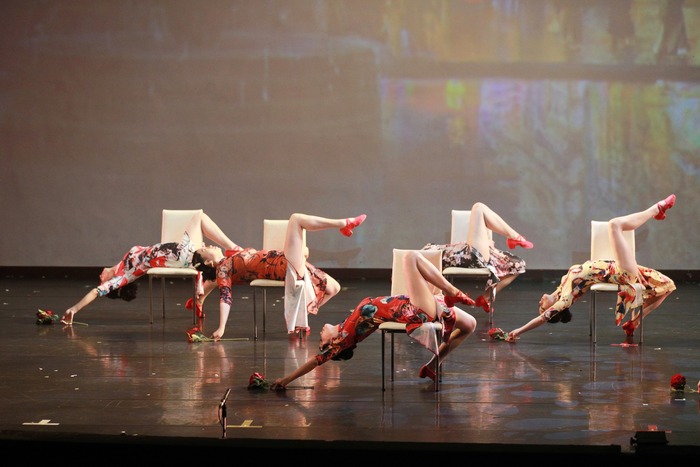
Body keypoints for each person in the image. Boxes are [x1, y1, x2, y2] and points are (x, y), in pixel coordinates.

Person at [270, 250, 479, 389]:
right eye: (321, 340)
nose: (320, 333)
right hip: (413, 310)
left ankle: (433, 365)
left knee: (470, 325)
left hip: (414, 302)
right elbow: (313, 362)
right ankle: (452, 291)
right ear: (331, 344)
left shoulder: (347, 325)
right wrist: (286, 380)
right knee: (410, 257)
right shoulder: (344, 339)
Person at [505, 195, 677, 343]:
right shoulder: (565, 299)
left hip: (615, 266)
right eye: (543, 308)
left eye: (541, 307)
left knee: (667, 285)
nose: (540, 303)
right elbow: (541, 320)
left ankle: (634, 323)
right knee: (614, 225)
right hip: (621, 273)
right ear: (555, 309)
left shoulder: (562, 287)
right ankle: (657, 209)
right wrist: (518, 331)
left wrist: (638, 318)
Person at [192, 213, 367, 340]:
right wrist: (221, 327)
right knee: (296, 219)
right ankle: (343, 223)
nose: (209, 245)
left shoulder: (230, 256)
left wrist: (198, 298)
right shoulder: (223, 270)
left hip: (286, 260)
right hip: (284, 265)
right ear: (208, 262)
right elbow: (225, 297)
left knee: (334, 288)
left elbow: (211, 280)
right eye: (205, 249)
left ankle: (302, 314)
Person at [61, 211, 240, 325]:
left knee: (215, 267)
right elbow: (96, 291)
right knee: (199, 218)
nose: (100, 277)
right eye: (102, 281)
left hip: (179, 254)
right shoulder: (126, 275)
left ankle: (198, 300)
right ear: (113, 284)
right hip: (180, 254)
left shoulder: (122, 265)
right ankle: (233, 248)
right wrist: (73, 309)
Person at [422, 202, 533, 313]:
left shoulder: (425, 255)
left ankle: (486, 298)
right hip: (470, 255)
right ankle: (515, 237)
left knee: (520, 264)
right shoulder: (425, 257)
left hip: (470, 253)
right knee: (478, 207)